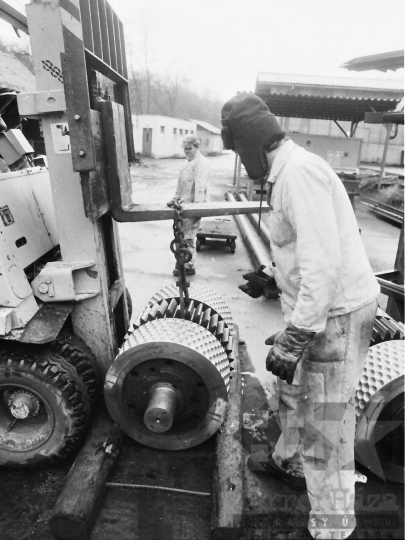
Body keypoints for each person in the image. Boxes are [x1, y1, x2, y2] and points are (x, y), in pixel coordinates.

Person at [221, 92, 380, 540]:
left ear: (252, 141)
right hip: (317, 312)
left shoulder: (299, 175)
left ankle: (331, 529)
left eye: (237, 148)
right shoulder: (283, 173)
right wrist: (271, 276)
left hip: (337, 316)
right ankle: (289, 461)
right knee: (293, 393)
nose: (238, 157)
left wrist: (296, 336)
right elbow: (297, 246)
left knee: (324, 426)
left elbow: (324, 266)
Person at [169, 135, 210, 276]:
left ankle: (189, 265)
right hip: (182, 207)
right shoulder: (186, 163)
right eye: (185, 149)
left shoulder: (202, 163)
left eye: (189, 149)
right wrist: (175, 199)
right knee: (181, 237)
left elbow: (200, 187)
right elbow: (179, 184)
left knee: (189, 237)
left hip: (192, 207)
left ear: (197, 147)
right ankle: (182, 261)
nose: (187, 151)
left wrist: (197, 209)